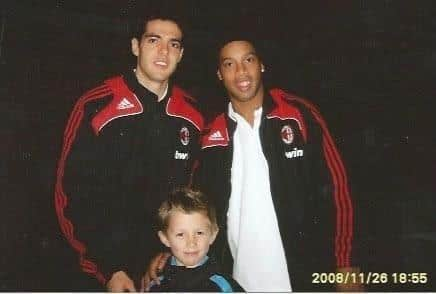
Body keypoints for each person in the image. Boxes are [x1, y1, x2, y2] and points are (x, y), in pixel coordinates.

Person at [192, 38, 358, 292]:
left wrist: (346, 264)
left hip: (304, 277)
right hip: (238, 281)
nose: (241, 72)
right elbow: (193, 207)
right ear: (219, 74)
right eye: (229, 64)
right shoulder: (210, 134)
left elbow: (339, 189)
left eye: (248, 60)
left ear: (261, 66)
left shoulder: (298, 114)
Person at [54, 12, 203, 291]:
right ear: (135, 46)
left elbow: (191, 196)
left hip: (164, 268)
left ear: (181, 54)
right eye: (153, 40)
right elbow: (67, 196)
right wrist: (108, 269)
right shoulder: (97, 105)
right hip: (102, 271)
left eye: (173, 44)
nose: (163, 51)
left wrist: (170, 252)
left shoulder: (192, 115)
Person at [147, 188, 243, 292]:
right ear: (165, 238)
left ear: (213, 235)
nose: (191, 243)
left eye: (199, 233)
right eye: (181, 234)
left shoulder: (224, 287)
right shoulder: (156, 285)